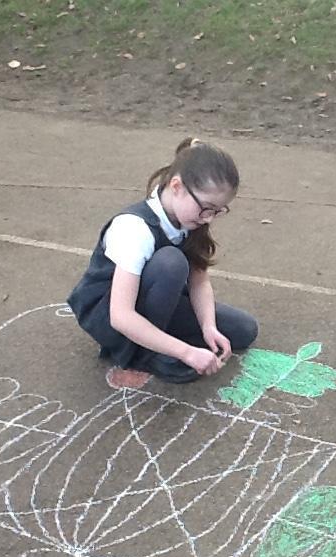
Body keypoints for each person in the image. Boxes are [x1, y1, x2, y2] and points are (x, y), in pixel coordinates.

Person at [67, 137, 258, 383]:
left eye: (218, 211)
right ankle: (142, 354)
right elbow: (121, 316)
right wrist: (186, 352)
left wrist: (208, 326)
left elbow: (199, 281)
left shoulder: (191, 217)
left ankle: (158, 338)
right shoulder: (134, 228)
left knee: (243, 330)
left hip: (156, 301)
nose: (209, 218)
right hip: (110, 316)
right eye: (207, 208)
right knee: (171, 262)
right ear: (177, 186)